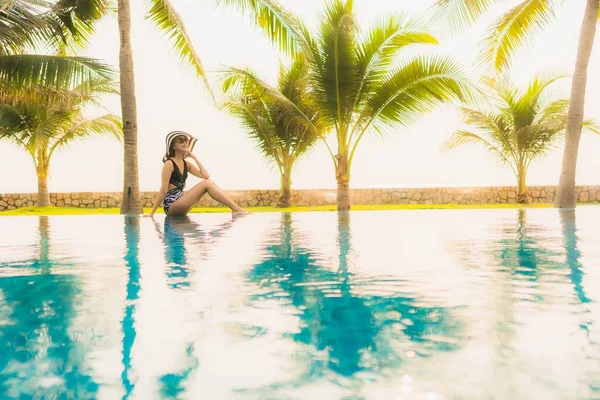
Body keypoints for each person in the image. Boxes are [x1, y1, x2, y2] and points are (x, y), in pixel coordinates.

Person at [147, 131, 249, 217]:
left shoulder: (187, 164)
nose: (185, 142)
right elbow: (163, 190)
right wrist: (151, 213)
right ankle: (236, 209)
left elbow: (205, 175)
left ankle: (236, 209)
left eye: (186, 140)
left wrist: (193, 157)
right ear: (173, 146)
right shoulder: (169, 164)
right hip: (172, 205)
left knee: (207, 182)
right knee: (207, 184)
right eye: (180, 140)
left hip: (181, 202)